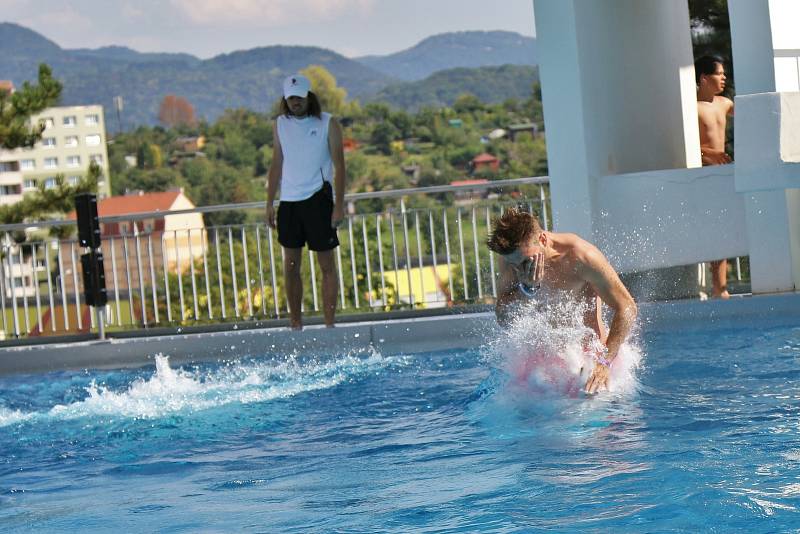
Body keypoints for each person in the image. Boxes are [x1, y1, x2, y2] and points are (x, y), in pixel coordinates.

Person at [487, 207, 637, 394]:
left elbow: (627, 307)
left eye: (526, 262)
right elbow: (503, 319)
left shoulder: (581, 257)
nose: (520, 269)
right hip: (544, 366)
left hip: (588, 361)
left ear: (542, 239)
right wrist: (527, 290)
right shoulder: (513, 259)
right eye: (513, 264)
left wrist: (605, 362)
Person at [266, 74, 346, 329]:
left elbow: (340, 166)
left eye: (299, 97)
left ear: (308, 96)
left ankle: (329, 325)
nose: (295, 102)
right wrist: (269, 203)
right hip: (289, 203)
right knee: (290, 265)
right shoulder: (279, 124)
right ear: (285, 100)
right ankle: (295, 324)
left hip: (318, 200)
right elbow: (276, 163)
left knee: (326, 265)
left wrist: (339, 205)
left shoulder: (327, 123)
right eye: (290, 98)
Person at [696, 55, 735, 299]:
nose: (723, 77)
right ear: (704, 78)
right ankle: (718, 288)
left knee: (728, 228)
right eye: (719, 74)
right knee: (715, 229)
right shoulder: (692, 108)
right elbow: (683, 144)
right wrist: (709, 153)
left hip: (725, 176)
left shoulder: (724, 103)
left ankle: (721, 287)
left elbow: (754, 116)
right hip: (703, 177)